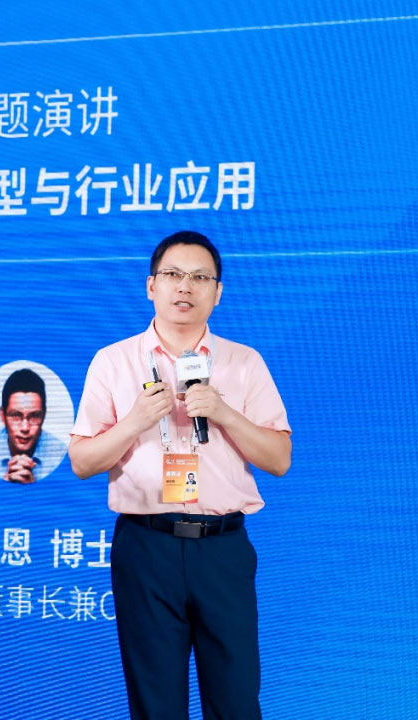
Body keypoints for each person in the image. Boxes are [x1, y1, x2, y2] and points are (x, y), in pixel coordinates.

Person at [68, 231, 292, 719]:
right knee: (156, 705)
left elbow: (279, 459)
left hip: (222, 549)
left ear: (218, 292)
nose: (184, 286)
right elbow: (83, 462)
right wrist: (134, 422)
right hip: (147, 548)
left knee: (236, 702)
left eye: (199, 277)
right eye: (172, 274)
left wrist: (225, 414)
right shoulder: (114, 361)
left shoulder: (243, 362)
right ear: (151, 285)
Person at [0, 367, 66, 483]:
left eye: (34, 416)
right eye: (16, 416)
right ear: (2, 416)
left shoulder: (62, 455)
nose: (25, 428)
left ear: (44, 416)